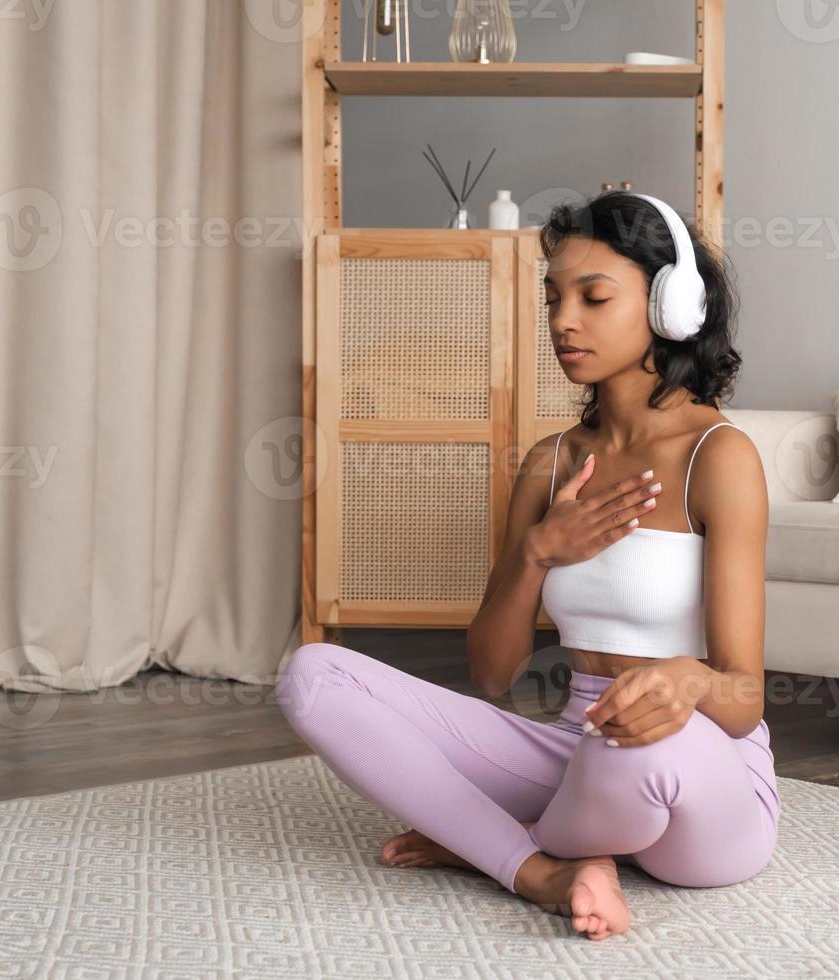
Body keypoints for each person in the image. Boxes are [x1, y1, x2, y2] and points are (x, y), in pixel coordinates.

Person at [276, 191, 778, 941]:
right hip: (571, 745)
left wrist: (687, 678)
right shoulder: (551, 464)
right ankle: (546, 868)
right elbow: (492, 672)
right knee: (312, 678)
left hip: (700, 769)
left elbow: (742, 698)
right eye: (553, 298)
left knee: (636, 754)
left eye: (593, 296)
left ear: (670, 306)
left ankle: (495, 840)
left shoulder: (719, 457)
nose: (562, 320)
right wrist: (539, 550)